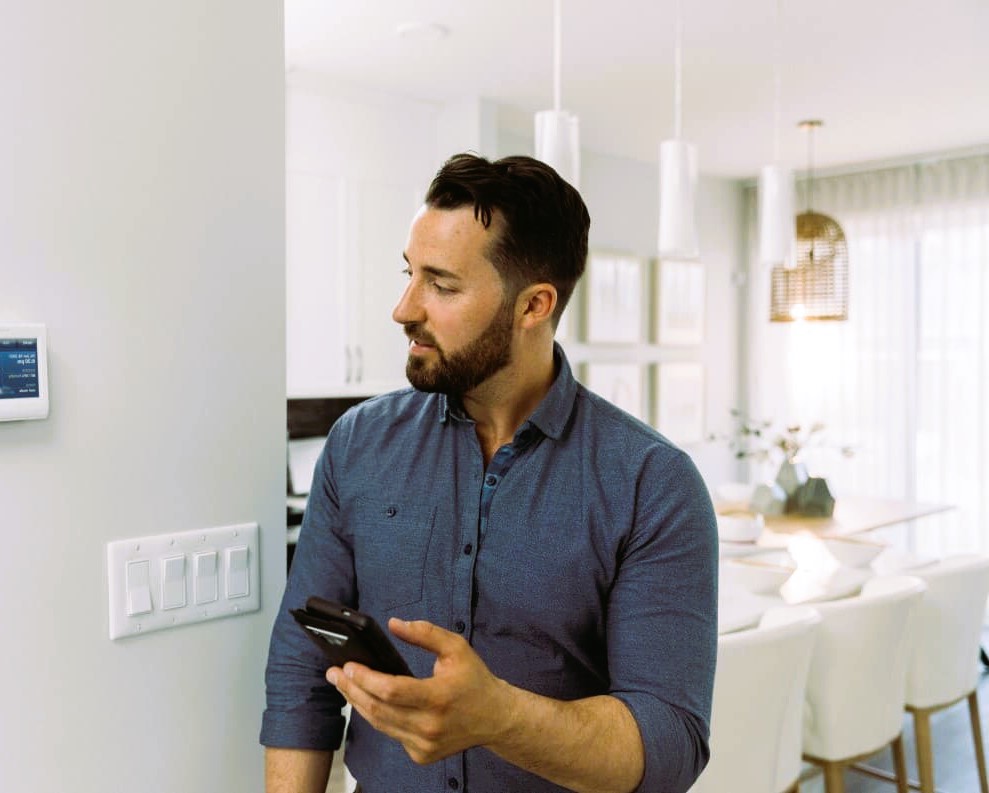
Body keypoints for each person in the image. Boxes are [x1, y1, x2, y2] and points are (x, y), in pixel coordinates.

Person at [261, 153, 718, 793]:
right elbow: (299, 672)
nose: (403, 309)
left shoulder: (652, 484)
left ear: (534, 305)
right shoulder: (359, 444)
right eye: (409, 274)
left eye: (442, 286)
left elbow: (668, 744)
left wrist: (499, 716)